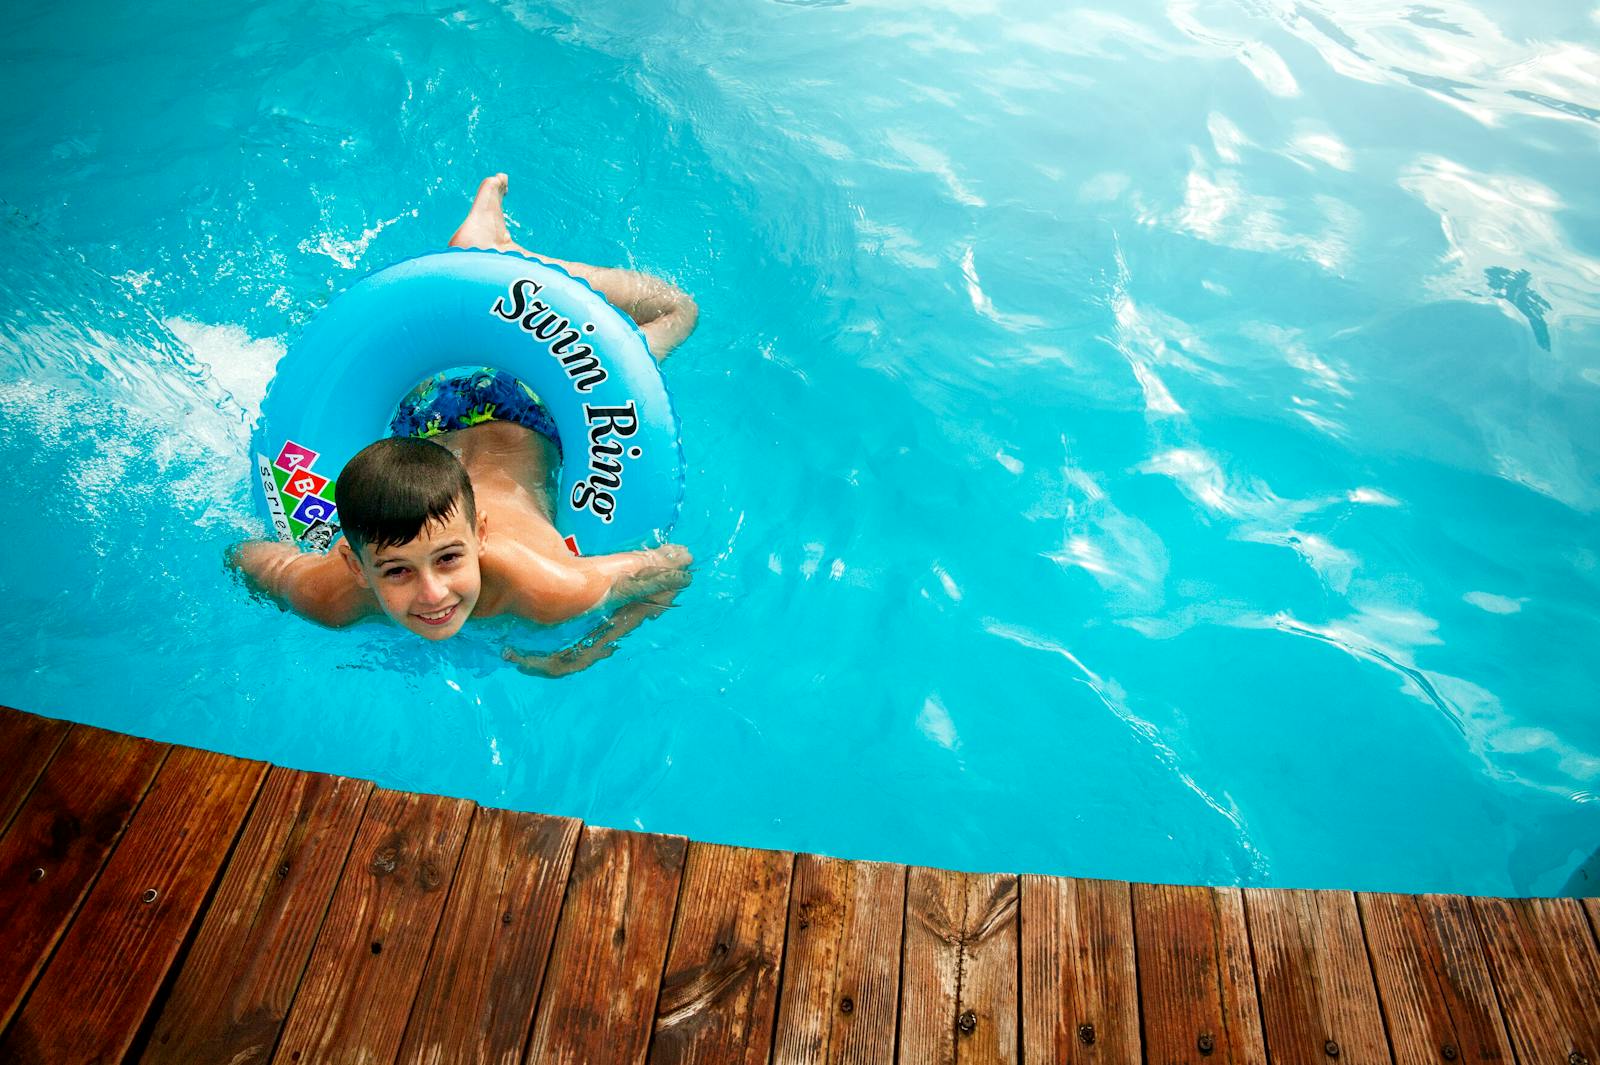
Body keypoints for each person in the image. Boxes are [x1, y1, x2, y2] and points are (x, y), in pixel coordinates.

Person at [228, 174, 697, 677]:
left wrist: (584, 652)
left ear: (480, 535)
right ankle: (485, 258)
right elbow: (249, 558)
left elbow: (674, 567)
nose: (433, 594)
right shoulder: (329, 595)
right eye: (396, 570)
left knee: (678, 310)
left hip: (532, 411)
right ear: (354, 566)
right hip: (425, 421)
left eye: (449, 559)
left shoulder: (550, 587)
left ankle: (507, 259)